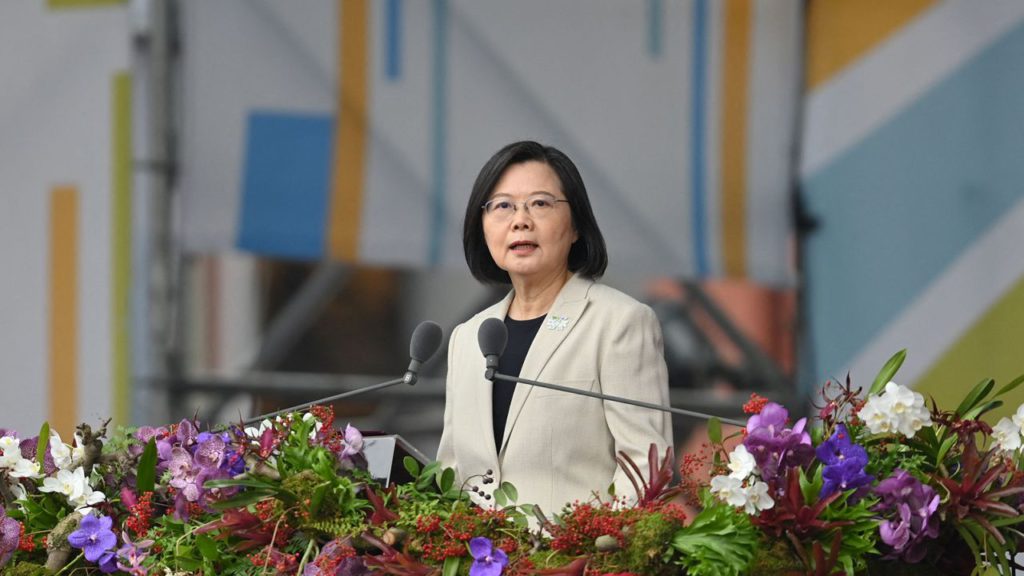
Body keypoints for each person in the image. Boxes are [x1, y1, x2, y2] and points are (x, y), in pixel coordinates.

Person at [436, 141, 673, 516]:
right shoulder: (467, 338)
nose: (520, 220)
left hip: (575, 549)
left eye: (540, 203)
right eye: (502, 206)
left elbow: (646, 467)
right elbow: (451, 474)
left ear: (576, 225)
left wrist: (601, 544)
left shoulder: (619, 322)